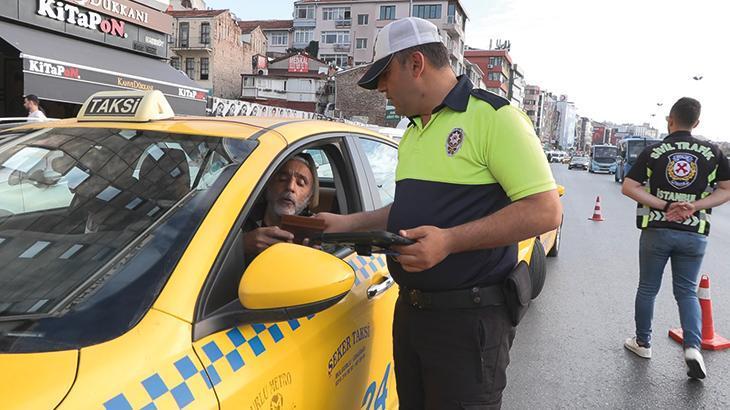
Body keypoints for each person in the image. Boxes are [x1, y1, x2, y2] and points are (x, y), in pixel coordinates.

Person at [314, 17, 561, 409]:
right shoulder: (413, 131)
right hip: (412, 313)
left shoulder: (494, 118)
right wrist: (348, 223)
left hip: (470, 322)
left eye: (384, 76)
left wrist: (449, 241)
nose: (381, 90)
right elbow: (410, 210)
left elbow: (545, 211)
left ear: (416, 64)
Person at [621, 97, 730, 379]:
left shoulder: (655, 151)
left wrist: (665, 205)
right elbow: (726, 190)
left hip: (657, 229)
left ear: (670, 120)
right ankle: (693, 347)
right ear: (696, 123)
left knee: (648, 288)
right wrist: (694, 206)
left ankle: (643, 342)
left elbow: (630, 187)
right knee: (686, 291)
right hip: (694, 233)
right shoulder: (713, 152)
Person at [243, 153, 319, 256]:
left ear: (309, 198)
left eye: (300, 183)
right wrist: (242, 244)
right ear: (268, 185)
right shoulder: (241, 218)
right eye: (282, 179)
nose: (290, 187)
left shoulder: (313, 234)